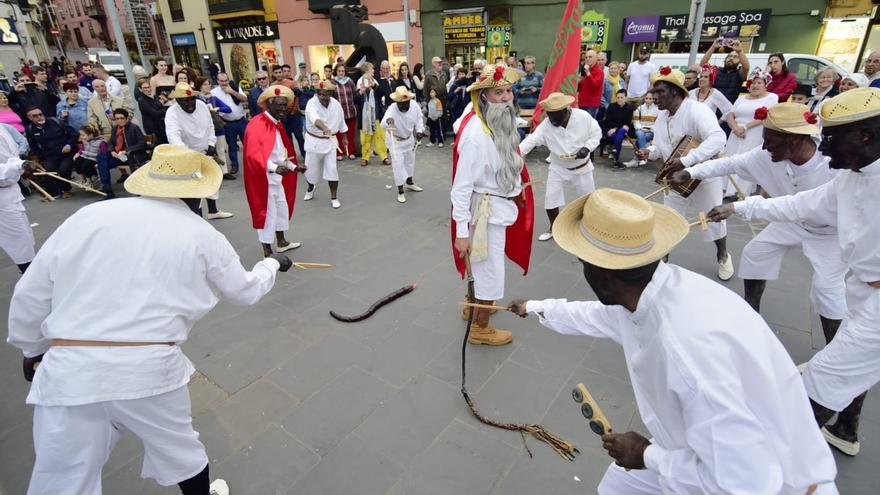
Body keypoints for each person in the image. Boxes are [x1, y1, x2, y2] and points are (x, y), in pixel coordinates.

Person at [506, 188, 837, 494]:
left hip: (764, 482)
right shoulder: (652, 290)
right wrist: (535, 308)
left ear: (604, 277)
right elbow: (595, 315)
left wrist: (648, 455)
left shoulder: (684, 355)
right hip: (699, 452)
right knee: (615, 488)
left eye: (584, 264)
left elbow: (746, 481)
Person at [7, 143, 294, 495]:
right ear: (199, 193)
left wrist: (31, 348)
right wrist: (271, 265)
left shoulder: (89, 217)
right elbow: (244, 291)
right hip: (148, 367)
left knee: (63, 478)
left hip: (69, 366)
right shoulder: (202, 234)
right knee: (181, 451)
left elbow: (31, 293)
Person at [706, 87, 880, 457]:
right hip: (863, 292)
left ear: (864, 136)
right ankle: (845, 431)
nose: (824, 146)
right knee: (849, 369)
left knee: (819, 383)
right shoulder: (849, 176)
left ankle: (770, 465)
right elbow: (802, 203)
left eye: (830, 138)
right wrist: (739, 209)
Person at [675, 100, 845, 351]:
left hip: (830, 233)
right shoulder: (767, 155)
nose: (764, 147)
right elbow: (728, 163)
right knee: (756, 253)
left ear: (795, 141)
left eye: (771, 141)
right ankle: (751, 314)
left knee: (827, 291)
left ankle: (838, 351)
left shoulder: (834, 165)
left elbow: (798, 204)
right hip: (791, 221)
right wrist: (691, 172)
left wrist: (736, 207)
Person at [451, 63, 534, 346]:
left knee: (485, 267)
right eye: (499, 92)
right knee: (490, 271)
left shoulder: (496, 121)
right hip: (485, 212)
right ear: (484, 96)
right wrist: (461, 232)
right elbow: (460, 188)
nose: (507, 97)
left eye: (509, 91)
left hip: (497, 207)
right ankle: (480, 328)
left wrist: (514, 188)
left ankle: (472, 308)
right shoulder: (476, 135)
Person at [633, 68, 732, 280]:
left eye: (659, 92)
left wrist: (686, 161)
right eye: (653, 91)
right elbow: (662, 148)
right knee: (668, 219)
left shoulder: (697, 110)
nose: (654, 96)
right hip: (676, 178)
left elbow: (717, 139)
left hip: (704, 176)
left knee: (713, 218)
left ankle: (723, 255)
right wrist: (648, 152)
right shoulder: (662, 117)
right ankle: (662, 259)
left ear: (676, 92)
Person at [519, 92, 600, 242]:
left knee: (589, 199)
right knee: (551, 198)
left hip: (582, 166)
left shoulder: (583, 117)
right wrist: (516, 154)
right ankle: (553, 228)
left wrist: (587, 148)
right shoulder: (546, 125)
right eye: (550, 116)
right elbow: (531, 141)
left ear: (566, 110)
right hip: (558, 167)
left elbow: (596, 134)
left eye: (556, 117)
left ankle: (588, 228)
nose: (553, 121)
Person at [243, 84, 306, 256]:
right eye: (279, 106)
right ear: (268, 104)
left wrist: (294, 166)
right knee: (267, 214)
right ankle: (267, 250)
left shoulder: (276, 124)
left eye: (285, 106)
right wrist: (274, 168)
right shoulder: (257, 124)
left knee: (281, 209)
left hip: (277, 180)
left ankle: (281, 241)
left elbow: (280, 154)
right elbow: (253, 156)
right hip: (264, 181)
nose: (283, 109)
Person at [165, 82, 233, 220]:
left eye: (191, 100)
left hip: (205, 150)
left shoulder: (201, 106)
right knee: (195, 189)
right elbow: (174, 138)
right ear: (177, 101)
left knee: (210, 182)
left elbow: (210, 126)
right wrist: (191, 155)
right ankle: (198, 219)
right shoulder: (171, 113)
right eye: (185, 101)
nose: (190, 103)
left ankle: (213, 211)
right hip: (187, 155)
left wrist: (211, 144)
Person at [724, 68, 779, 198]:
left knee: (747, 160)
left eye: (759, 83)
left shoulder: (772, 97)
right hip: (736, 133)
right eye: (753, 83)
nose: (755, 85)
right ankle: (725, 189)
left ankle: (740, 192)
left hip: (754, 132)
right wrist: (735, 128)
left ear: (766, 85)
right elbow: (730, 114)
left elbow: (766, 115)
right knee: (731, 158)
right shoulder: (742, 98)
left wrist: (745, 127)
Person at [303, 79, 347, 209]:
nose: (323, 97)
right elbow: (315, 118)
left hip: (330, 142)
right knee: (310, 172)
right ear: (317, 93)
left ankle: (334, 197)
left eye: (326, 94)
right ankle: (311, 187)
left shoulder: (336, 104)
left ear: (331, 93)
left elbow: (341, 121)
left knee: (332, 170)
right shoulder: (311, 103)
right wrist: (324, 128)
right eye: (321, 94)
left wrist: (344, 137)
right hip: (314, 141)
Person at [0, 127, 39, 273]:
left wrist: (23, 166)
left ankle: (32, 278)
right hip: (1, 199)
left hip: (11, 191)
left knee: (26, 238)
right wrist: (19, 166)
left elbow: (11, 155)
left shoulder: (3, 127)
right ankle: (32, 282)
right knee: (18, 242)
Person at [381, 86, 425, 203]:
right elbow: (383, 124)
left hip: (409, 138)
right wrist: (389, 122)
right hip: (395, 141)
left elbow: (419, 118)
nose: (404, 106)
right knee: (398, 165)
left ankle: (410, 182)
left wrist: (419, 130)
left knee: (410, 161)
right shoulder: (392, 109)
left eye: (406, 103)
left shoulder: (414, 105)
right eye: (401, 104)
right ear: (397, 103)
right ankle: (400, 191)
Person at [24, 106, 78, 199]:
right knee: (48, 171)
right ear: (30, 118)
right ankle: (54, 193)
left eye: (40, 114)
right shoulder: (30, 129)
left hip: (66, 153)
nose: (39, 117)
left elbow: (73, 134)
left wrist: (69, 145)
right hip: (50, 156)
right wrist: (41, 156)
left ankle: (66, 190)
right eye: (35, 116)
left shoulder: (56, 122)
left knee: (63, 170)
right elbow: (33, 145)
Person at [98, 108, 148, 198]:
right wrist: (112, 150)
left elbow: (142, 144)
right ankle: (108, 189)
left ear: (126, 118)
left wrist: (127, 150)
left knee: (103, 164)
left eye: (122, 118)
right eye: (117, 118)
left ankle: (107, 190)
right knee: (102, 157)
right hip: (119, 156)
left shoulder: (134, 128)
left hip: (131, 156)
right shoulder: (115, 128)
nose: (119, 120)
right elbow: (110, 142)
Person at [210, 73, 248, 177]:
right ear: (217, 81)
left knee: (248, 144)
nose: (224, 83)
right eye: (221, 81)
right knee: (232, 146)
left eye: (226, 80)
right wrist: (222, 121)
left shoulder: (234, 87)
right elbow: (214, 109)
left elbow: (244, 99)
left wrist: (232, 91)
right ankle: (234, 165)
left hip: (241, 120)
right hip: (228, 123)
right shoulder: (214, 93)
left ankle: (251, 163)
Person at [356, 62, 389, 166]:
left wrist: (374, 86)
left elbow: (382, 94)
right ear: (367, 71)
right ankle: (365, 157)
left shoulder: (374, 81)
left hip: (376, 114)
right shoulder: (359, 82)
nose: (374, 72)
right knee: (365, 138)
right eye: (372, 69)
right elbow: (356, 99)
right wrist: (361, 91)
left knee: (380, 137)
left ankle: (384, 156)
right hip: (365, 117)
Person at [699, 37, 750, 103]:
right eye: (729, 56)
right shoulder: (716, 71)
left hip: (730, 109)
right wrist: (713, 47)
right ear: (724, 60)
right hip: (713, 107)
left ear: (740, 62)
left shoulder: (740, 74)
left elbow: (746, 67)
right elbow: (703, 65)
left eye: (735, 57)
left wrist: (739, 51)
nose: (731, 58)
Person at [602, 89, 634, 169]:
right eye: (618, 97)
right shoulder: (611, 106)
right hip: (609, 129)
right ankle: (616, 160)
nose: (619, 99)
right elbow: (607, 121)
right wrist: (617, 127)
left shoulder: (629, 108)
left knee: (621, 132)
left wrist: (616, 128)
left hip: (619, 130)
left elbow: (627, 123)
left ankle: (615, 157)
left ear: (626, 98)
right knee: (619, 135)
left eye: (621, 97)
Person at [625, 90, 658, 167]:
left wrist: (649, 129)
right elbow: (636, 122)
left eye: (650, 98)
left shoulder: (658, 110)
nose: (648, 100)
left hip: (651, 131)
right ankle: (643, 156)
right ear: (644, 99)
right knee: (640, 134)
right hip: (640, 129)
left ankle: (636, 159)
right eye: (646, 98)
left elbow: (658, 124)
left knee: (641, 138)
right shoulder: (639, 108)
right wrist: (641, 128)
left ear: (653, 99)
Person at [332, 64, 357, 160]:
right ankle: (340, 153)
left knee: (350, 134)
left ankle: (351, 152)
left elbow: (354, 95)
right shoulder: (332, 82)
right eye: (339, 71)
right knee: (338, 135)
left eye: (342, 71)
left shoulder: (350, 81)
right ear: (336, 72)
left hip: (350, 112)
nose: (341, 73)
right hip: (338, 114)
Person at [137, 78, 168, 145]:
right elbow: (154, 113)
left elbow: (160, 107)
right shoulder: (142, 101)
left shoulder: (154, 97)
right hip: (153, 129)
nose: (147, 89)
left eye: (148, 87)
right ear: (140, 89)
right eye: (144, 88)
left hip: (161, 126)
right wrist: (165, 111)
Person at [72, 123, 103, 189]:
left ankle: (89, 181)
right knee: (76, 162)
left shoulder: (100, 142)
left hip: (94, 158)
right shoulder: (85, 140)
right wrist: (78, 154)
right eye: (81, 135)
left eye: (83, 135)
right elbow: (82, 148)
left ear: (91, 135)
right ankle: (83, 179)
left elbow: (104, 152)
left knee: (85, 166)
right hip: (85, 155)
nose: (81, 136)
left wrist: (100, 161)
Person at [577, 50, 604, 118]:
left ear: (595, 58)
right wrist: (578, 81)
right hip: (582, 103)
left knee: (588, 126)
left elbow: (595, 85)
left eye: (590, 57)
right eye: (586, 57)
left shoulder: (599, 71)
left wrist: (588, 73)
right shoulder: (586, 70)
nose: (587, 59)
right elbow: (580, 88)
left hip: (591, 105)